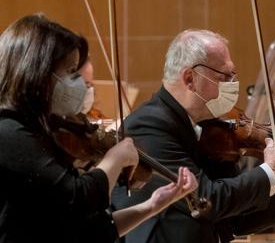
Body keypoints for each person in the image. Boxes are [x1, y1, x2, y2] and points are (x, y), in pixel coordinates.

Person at [113, 29, 275, 243]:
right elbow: (206, 201)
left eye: (233, 76)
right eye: (224, 76)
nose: (233, 84)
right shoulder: (150, 125)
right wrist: (269, 171)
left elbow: (238, 217)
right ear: (189, 79)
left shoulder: (211, 127)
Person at [0, 14, 198, 243]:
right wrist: (115, 158)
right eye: (71, 70)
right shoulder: (8, 132)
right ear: (37, 72)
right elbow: (78, 199)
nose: (78, 83)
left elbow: (88, 231)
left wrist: (152, 205)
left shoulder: (41, 132)